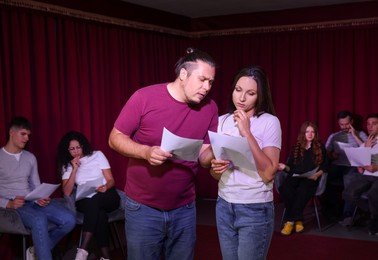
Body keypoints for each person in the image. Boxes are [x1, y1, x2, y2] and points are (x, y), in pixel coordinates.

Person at [108, 48, 218, 260]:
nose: (207, 87)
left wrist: (216, 157)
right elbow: (115, 138)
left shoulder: (210, 108)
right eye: (202, 79)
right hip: (143, 208)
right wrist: (145, 152)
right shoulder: (144, 97)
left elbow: (204, 155)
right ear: (183, 74)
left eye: (211, 82)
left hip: (185, 207)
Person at [208, 65, 281, 260]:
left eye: (250, 93)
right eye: (238, 90)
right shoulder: (221, 121)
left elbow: (268, 173)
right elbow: (215, 175)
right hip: (224, 205)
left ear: (260, 95)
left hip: (254, 208)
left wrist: (246, 132)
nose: (241, 98)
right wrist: (217, 168)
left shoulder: (269, 122)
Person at [0, 116, 76, 259]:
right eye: (23, 134)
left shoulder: (30, 157)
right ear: (11, 132)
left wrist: (40, 197)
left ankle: (38, 249)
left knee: (70, 219)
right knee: (39, 219)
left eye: (28, 135)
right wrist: (8, 203)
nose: (26, 138)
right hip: (13, 206)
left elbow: (35, 185)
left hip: (31, 202)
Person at [57, 131, 120, 260]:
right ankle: (106, 258)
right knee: (99, 212)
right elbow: (67, 192)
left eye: (78, 147)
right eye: (72, 149)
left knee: (95, 201)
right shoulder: (67, 166)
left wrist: (105, 187)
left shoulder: (97, 155)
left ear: (83, 146)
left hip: (106, 195)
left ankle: (83, 250)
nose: (76, 151)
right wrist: (74, 169)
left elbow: (111, 180)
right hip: (85, 199)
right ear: (67, 150)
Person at [342, 113, 378, 235]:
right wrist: (361, 164)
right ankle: (377, 212)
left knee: (373, 195)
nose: (370, 126)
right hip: (367, 176)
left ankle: (375, 219)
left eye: (374, 124)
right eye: (368, 124)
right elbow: (361, 161)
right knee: (347, 193)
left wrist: (377, 167)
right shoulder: (367, 142)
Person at [278, 121, 328, 235]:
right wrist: (284, 167)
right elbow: (290, 167)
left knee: (303, 190)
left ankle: (289, 221)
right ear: (303, 133)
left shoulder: (320, 147)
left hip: (311, 177)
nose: (310, 134)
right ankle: (298, 218)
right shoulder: (296, 147)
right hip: (296, 176)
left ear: (315, 134)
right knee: (285, 188)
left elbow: (325, 166)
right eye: (307, 132)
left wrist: (317, 175)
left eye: (312, 132)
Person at [324, 111, 367, 223]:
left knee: (350, 180)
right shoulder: (334, 136)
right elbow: (326, 154)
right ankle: (335, 209)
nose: (344, 127)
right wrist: (332, 155)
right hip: (337, 165)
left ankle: (347, 213)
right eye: (341, 124)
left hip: (353, 166)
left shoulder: (361, 134)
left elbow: (368, 152)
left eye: (346, 124)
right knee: (323, 178)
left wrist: (354, 135)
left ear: (351, 122)